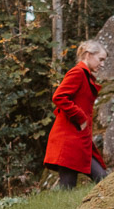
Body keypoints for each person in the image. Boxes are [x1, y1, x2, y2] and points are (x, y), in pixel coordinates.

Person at [44, 40, 108, 189]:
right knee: (68, 188)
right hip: (68, 140)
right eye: (101, 59)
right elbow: (58, 96)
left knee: (103, 179)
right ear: (88, 55)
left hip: (80, 141)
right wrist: (80, 117)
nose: (102, 64)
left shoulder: (86, 76)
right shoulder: (78, 72)